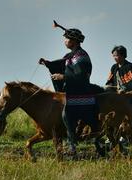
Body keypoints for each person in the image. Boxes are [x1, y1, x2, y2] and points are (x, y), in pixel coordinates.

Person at [39, 20, 97, 156]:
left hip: (82, 93)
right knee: (66, 115)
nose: (64, 41)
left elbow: (81, 75)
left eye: (66, 39)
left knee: (67, 115)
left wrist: (63, 77)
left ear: (74, 41)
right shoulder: (71, 56)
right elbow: (60, 64)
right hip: (73, 92)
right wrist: (48, 63)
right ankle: (73, 143)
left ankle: (73, 145)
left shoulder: (81, 56)